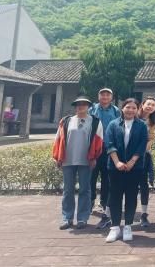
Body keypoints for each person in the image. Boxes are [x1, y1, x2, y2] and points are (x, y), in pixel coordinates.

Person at [52, 96, 104, 230]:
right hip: (68, 160)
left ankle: (82, 218)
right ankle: (67, 218)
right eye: (78, 104)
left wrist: (94, 157)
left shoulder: (95, 122)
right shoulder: (66, 121)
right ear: (75, 106)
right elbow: (58, 139)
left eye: (84, 104)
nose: (81, 106)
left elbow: (99, 141)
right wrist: (57, 157)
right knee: (68, 190)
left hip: (86, 160)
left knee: (85, 190)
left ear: (89, 107)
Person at [104, 98, 148, 243]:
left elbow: (142, 144)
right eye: (128, 107)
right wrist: (117, 162)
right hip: (115, 167)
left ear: (138, 110)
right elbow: (109, 144)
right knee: (115, 196)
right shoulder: (113, 124)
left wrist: (132, 161)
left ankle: (128, 226)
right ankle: (115, 227)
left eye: (134, 108)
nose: (130, 110)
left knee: (131, 196)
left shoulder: (141, 125)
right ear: (122, 108)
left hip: (135, 167)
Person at [89, 88, 121, 230]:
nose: (105, 97)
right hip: (94, 147)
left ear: (111, 97)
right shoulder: (92, 109)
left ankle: (104, 202)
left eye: (108, 95)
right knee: (91, 176)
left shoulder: (116, 111)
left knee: (107, 178)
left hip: (109, 148)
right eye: (102, 94)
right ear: (99, 96)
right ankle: (90, 202)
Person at [137, 96, 155, 228]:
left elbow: (151, 138)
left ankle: (144, 213)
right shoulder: (134, 116)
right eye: (148, 104)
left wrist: (140, 152)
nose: (150, 107)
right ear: (142, 104)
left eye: (153, 105)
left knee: (143, 184)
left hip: (143, 156)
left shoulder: (153, 121)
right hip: (127, 155)